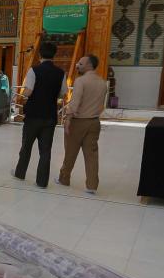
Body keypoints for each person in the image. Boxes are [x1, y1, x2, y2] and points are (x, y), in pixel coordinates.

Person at [12, 41, 65, 188]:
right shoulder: (61, 73)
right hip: (50, 116)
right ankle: (41, 182)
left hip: (34, 115)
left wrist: (21, 95)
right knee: (45, 150)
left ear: (40, 54)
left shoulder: (34, 70)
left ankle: (20, 173)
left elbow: (28, 91)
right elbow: (62, 93)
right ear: (54, 55)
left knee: (26, 146)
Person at [56, 54, 107, 194]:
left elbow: (75, 102)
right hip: (94, 122)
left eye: (80, 63)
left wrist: (68, 119)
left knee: (70, 152)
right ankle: (92, 186)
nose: (77, 65)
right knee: (91, 155)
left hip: (78, 122)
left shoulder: (81, 81)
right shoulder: (102, 82)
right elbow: (101, 104)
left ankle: (64, 179)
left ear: (89, 65)